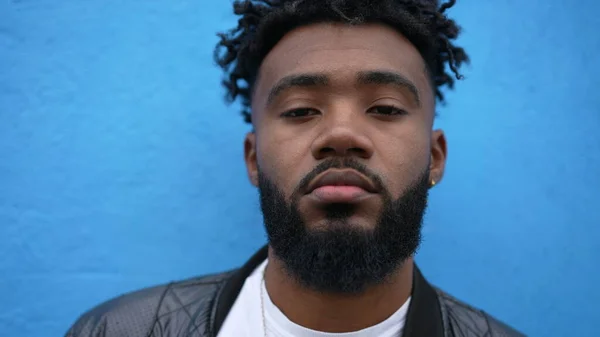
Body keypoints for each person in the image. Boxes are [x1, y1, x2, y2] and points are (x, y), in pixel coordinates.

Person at [65, 0, 526, 336]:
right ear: (252, 158)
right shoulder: (117, 330)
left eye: (385, 109)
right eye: (301, 110)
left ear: (436, 157)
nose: (341, 135)